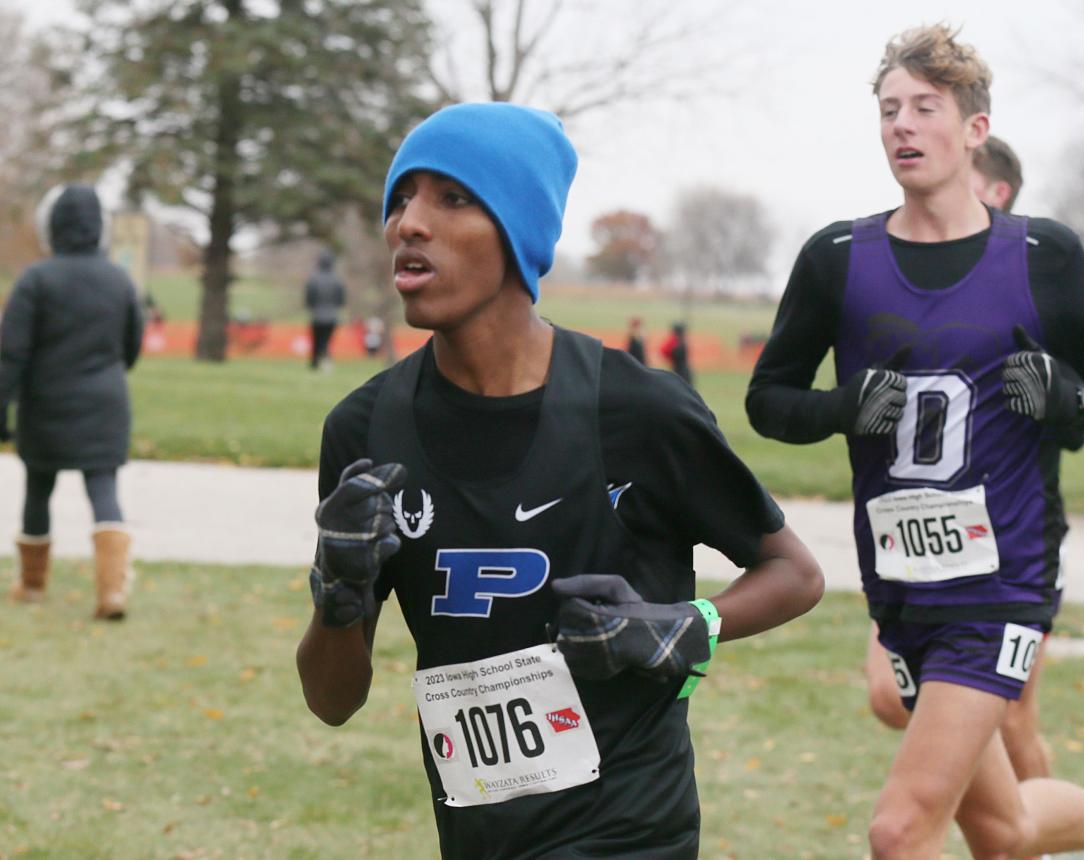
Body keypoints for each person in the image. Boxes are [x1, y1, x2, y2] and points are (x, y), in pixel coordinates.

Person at [295, 102, 824, 860]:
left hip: (629, 828)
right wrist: (337, 591)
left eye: (452, 198)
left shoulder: (638, 409)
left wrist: (681, 626)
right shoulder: (365, 429)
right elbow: (331, 699)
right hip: (479, 834)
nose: (408, 222)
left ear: (516, 229)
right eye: (402, 198)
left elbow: (795, 574)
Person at [747, 25, 1084, 860]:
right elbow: (769, 401)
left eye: (924, 108)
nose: (901, 125)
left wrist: (1069, 396)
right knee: (1002, 830)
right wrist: (841, 408)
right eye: (888, 109)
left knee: (900, 831)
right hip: (900, 582)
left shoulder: (1044, 255)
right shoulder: (837, 257)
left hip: (1001, 582)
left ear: (974, 129)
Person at [862, 133, 1068, 791]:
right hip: (910, 539)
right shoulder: (908, 275)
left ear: (994, 191)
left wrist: (1056, 396)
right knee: (890, 696)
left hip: (1006, 546)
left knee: (1013, 724)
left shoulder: (1031, 274)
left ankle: (1050, 835)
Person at [0, 184, 144, 620]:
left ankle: (32, 585)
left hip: (45, 403)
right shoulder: (119, 279)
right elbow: (132, 346)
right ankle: (112, 591)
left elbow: (11, 353)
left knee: (38, 487)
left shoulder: (36, 280)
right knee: (104, 488)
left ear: (53, 226)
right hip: (105, 402)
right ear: (98, 227)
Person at [304, 249, 346, 370]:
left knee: (317, 340)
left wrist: (313, 307)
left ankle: (315, 363)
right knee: (326, 340)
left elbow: (309, 297)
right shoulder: (337, 280)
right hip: (332, 316)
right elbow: (341, 299)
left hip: (317, 316)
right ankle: (325, 360)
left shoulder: (313, 279)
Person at [659, 321, 693, 386]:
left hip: (679, 371)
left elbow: (664, 352)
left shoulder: (676, 342)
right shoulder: (682, 342)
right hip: (683, 370)